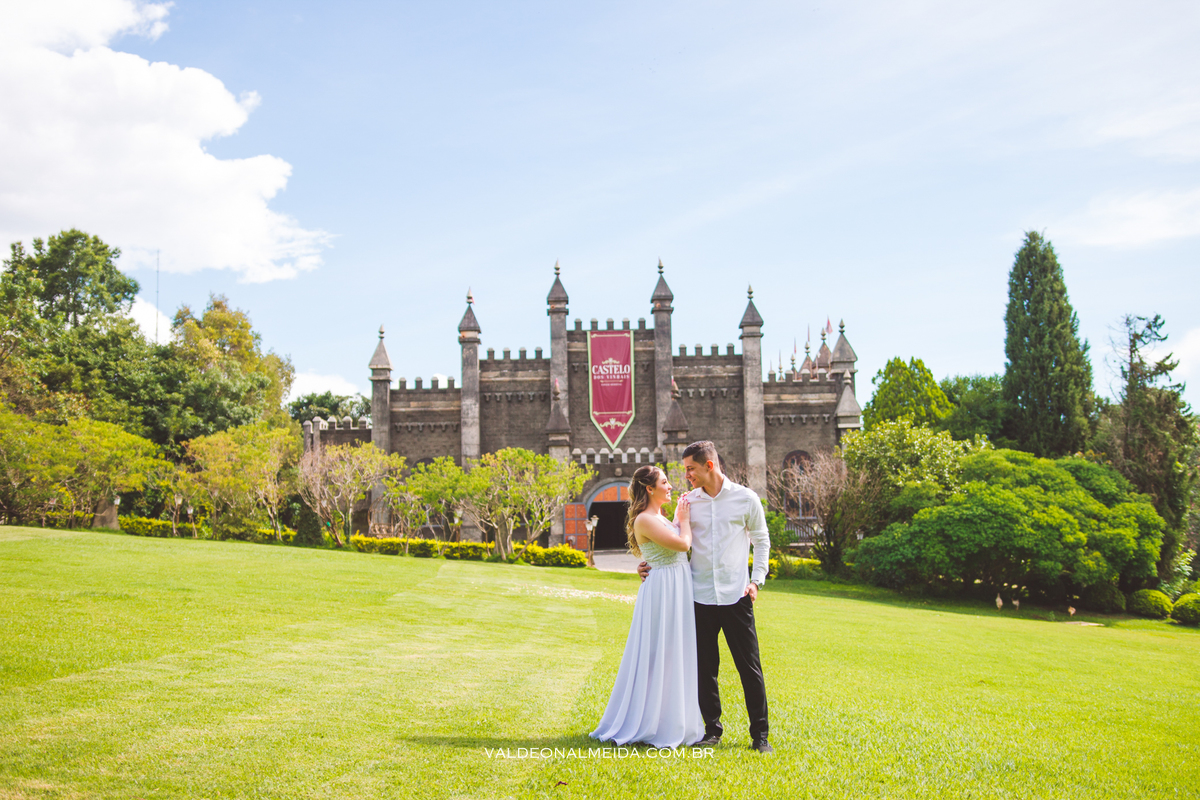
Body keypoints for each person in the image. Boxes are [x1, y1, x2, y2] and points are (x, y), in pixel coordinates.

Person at [638, 440, 772, 753]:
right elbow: (669, 541)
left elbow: (762, 542)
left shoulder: (745, 499)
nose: (686, 476)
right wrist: (646, 564)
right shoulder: (687, 503)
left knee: (749, 669)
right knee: (704, 669)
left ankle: (760, 736)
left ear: (708, 466)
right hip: (697, 599)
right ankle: (712, 730)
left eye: (690, 469)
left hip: (736, 597)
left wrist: (756, 582)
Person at [590, 465, 705, 749]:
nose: (670, 486)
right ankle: (648, 719)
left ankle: (671, 717)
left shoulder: (659, 517)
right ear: (649, 488)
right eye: (664, 482)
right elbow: (681, 545)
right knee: (657, 652)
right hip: (663, 590)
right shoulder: (645, 519)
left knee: (674, 651)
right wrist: (685, 519)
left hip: (675, 585)